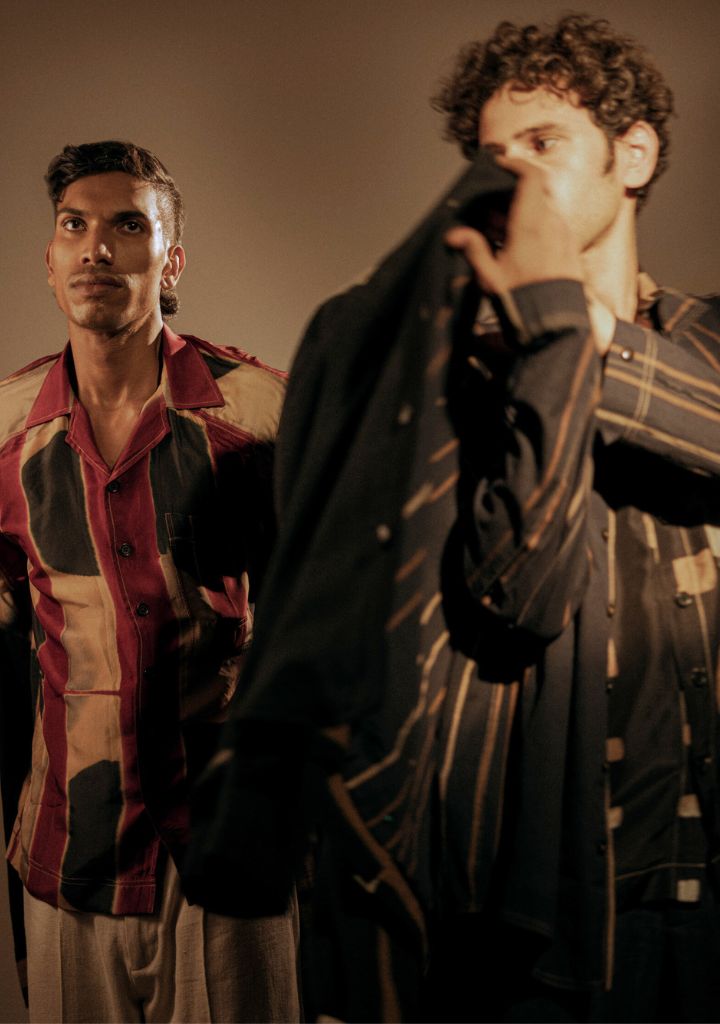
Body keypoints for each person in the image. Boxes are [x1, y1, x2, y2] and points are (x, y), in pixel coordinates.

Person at [186, 14, 720, 1023]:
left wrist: (589, 333)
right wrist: (551, 342)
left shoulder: (708, 340)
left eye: (545, 142)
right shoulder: (461, 375)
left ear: (634, 154)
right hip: (556, 916)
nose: (512, 174)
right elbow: (521, 592)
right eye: (491, 152)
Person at [0, 140, 300, 1023]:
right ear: (50, 262)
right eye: (74, 226)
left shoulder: (262, 414)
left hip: (231, 845)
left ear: (171, 263)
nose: (96, 247)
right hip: (71, 848)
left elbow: (340, 625)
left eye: (128, 226)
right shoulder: (6, 434)